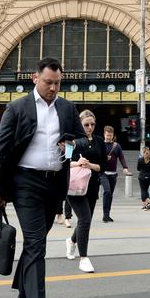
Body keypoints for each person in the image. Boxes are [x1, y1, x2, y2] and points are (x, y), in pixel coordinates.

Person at [0, 57, 85, 298]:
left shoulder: (67, 108)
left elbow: (83, 141)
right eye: (48, 82)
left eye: (57, 83)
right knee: (36, 243)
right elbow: (1, 150)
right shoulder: (17, 108)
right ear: (35, 78)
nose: (53, 88)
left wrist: (72, 147)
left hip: (54, 185)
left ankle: (23, 295)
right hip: (25, 184)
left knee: (35, 242)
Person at [65, 110, 107, 273]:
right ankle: (84, 258)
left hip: (92, 185)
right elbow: (63, 163)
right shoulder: (72, 142)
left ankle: (71, 241)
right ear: (80, 125)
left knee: (85, 220)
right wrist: (78, 163)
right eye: (86, 124)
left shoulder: (99, 141)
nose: (90, 127)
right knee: (85, 218)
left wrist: (91, 166)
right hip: (74, 186)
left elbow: (103, 165)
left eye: (92, 124)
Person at [100, 125, 129, 222]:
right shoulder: (101, 145)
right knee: (107, 191)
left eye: (110, 135)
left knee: (110, 194)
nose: (108, 137)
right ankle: (104, 214)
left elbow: (121, 157)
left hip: (113, 174)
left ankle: (107, 214)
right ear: (104, 134)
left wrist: (125, 167)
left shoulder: (116, 146)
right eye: (107, 135)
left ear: (113, 135)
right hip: (103, 173)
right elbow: (96, 157)